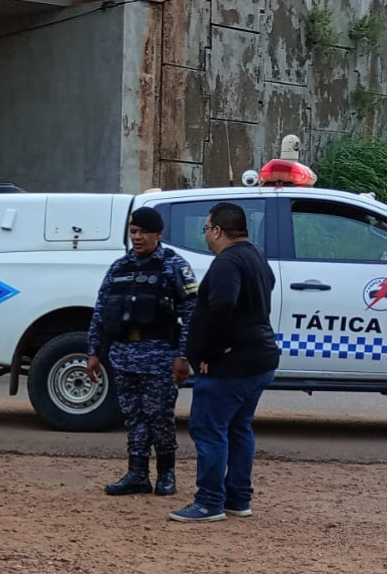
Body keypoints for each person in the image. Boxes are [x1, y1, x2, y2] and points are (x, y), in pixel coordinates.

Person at [169, 202, 281, 523]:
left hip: (232, 365)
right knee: (238, 427)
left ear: (217, 230)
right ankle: (238, 498)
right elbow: (267, 286)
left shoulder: (227, 262)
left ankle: (209, 502)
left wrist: (212, 351)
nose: (206, 235)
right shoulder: (256, 256)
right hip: (260, 357)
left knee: (209, 429)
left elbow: (223, 304)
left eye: (206, 229)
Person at [86, 207, 198, 497]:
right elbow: (101, 312)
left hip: (160, 356)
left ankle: (166, 474)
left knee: (159, 416)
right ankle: (137, 474)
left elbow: (191, 312)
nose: (137, 238)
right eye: (133, 232)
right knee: (133, 417)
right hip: (124, 355)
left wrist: (183, 356)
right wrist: (94, 353)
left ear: (158, 234)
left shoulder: (174, 266)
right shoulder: (119, 267)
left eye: (143, 232)